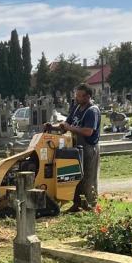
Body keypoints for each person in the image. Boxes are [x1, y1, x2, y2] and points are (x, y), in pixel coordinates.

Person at [49, 84, 101, 212]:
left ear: (87, 97)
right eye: (76, 95)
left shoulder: (92, 111)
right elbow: (66, 124)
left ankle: (90, 206)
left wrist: (70, 128)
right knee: (76, 177)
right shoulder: (77, 107)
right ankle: (77, 204)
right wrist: (53, 127)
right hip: (76, 146)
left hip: (89, 148)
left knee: (88, 178)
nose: (76, 98)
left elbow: (88, 131)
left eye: (79, 96)